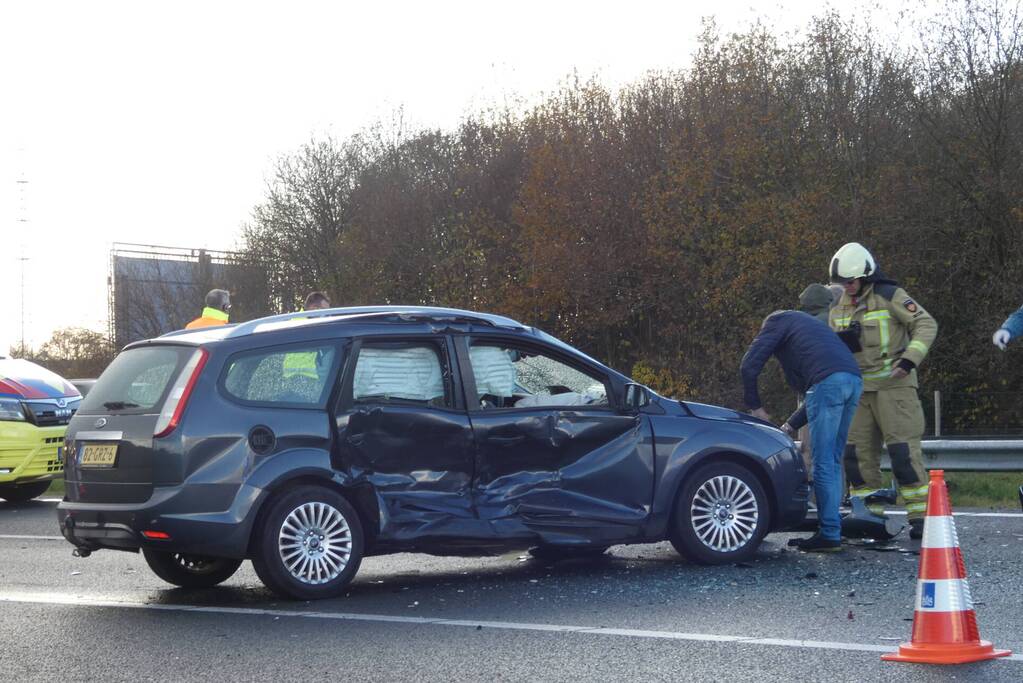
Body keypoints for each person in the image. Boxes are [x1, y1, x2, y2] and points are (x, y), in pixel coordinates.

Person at [827, 242, 938, 539]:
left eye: (850, 281)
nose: (846, 288)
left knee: (902, 452)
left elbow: (926, 324)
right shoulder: (838, 306)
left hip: (895, 386)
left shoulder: (890, 296)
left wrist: (909, 359)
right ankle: (869, 514)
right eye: (841, 283)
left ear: (865, 275)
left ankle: (921, 516)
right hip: (859, 389)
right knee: (856, 454)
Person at [740, 307, 862, 552]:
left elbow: (748, 365)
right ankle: (833, 528)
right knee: (834, 460)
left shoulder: (775, 322)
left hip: (830, 384)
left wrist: (756, 408)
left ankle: (829, 535)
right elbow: (821, 392)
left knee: (823, 462)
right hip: (853, 380)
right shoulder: (808, 329)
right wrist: (789, 425)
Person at [794, 284, 844, 477]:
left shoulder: (803, 324)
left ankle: (807, 493)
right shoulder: (837, 323)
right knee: (834, 450)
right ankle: (837, 496)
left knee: (808, 448)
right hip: (836, 392)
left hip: (811, 391)